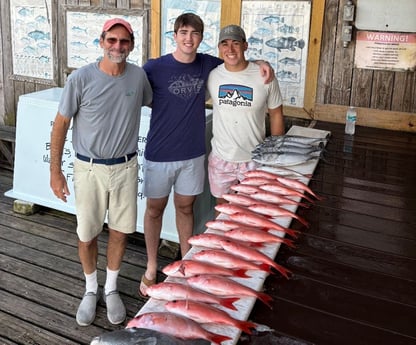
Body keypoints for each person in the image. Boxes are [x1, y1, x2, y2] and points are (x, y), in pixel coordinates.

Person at [139, 13, 274, 297]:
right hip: (159, 153)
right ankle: (151, 267)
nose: (189, 38)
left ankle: (188, 265)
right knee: (154, 210)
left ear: (201, 39)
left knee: (186, 208)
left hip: (191, 154)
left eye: (195, 34)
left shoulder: (208, 66)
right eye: (183, 32)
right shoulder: (153, 68)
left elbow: (238, 62)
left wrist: (264, 63)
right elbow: (133, 93)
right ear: (174, 35)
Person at [49, 18, 152, 326]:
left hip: (126, 166)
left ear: (132, 45)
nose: (117, 46)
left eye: (123, 41)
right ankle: (91, 289)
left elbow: (160, 101)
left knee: (120, 231)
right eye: (112, 40)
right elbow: (60, 125)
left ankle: (111, 288)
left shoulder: (138, 77)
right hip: (88, 169)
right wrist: (56, 172)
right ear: (101, 41)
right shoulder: (81, 78)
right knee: (87, 233)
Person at [207, 24, 285, 207]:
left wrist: (275, 155)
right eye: (224, 44)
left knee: (253, 210)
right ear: (219, 48)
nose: (230, 49)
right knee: (223, 208)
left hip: (254, 159)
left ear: (245, 45)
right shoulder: (212, 76)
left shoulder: (265, 76)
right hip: (221, 159)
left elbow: (276, 114)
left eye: (235, 43)